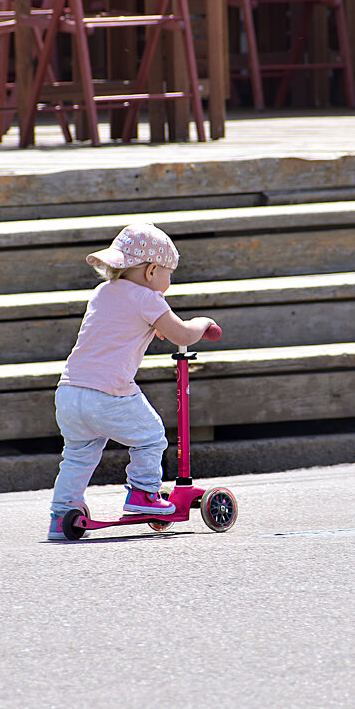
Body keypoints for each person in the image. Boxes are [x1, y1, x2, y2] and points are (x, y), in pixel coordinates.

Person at [48, 222, 218, 540]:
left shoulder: (102, 292)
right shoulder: (148, 298)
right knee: (151, 437)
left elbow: (117, 326)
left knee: (77, 456)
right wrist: (202, 323)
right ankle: (143, 494)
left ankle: (61, 515)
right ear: (152, 270)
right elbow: (181, 333)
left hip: (70, 392)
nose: (169, 282)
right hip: (108, 393)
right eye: (170, 274)